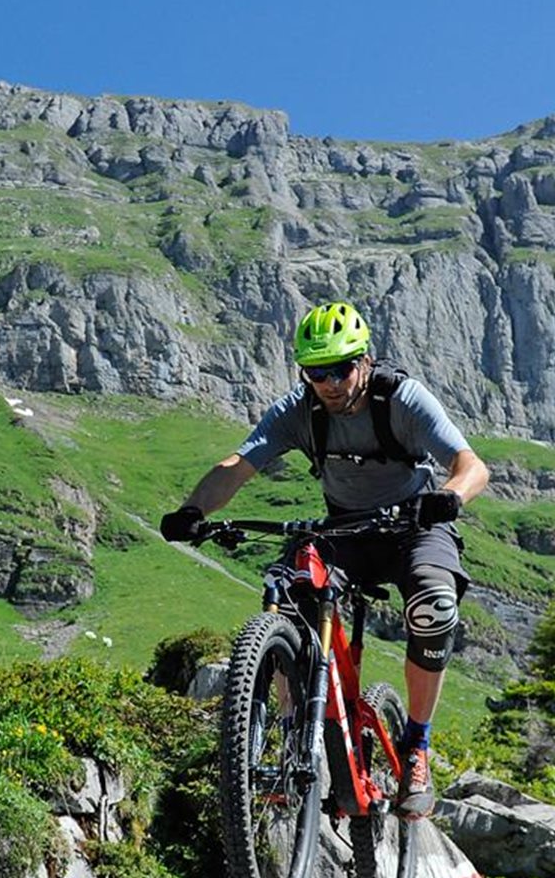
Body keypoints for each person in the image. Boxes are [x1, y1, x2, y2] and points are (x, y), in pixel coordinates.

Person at [159, 301, 490, 819]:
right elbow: (238, 466)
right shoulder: (300, 410)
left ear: (364, 360)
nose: (329, 383)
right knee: (290, 591)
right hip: (346, 530)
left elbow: (470, 466)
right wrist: (192, 510)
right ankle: (294, 742)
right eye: (316, 372)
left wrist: (450, 496)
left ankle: (417, 746)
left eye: (339, 369)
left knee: (434, 607)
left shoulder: (401, 398)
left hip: (416, 529)